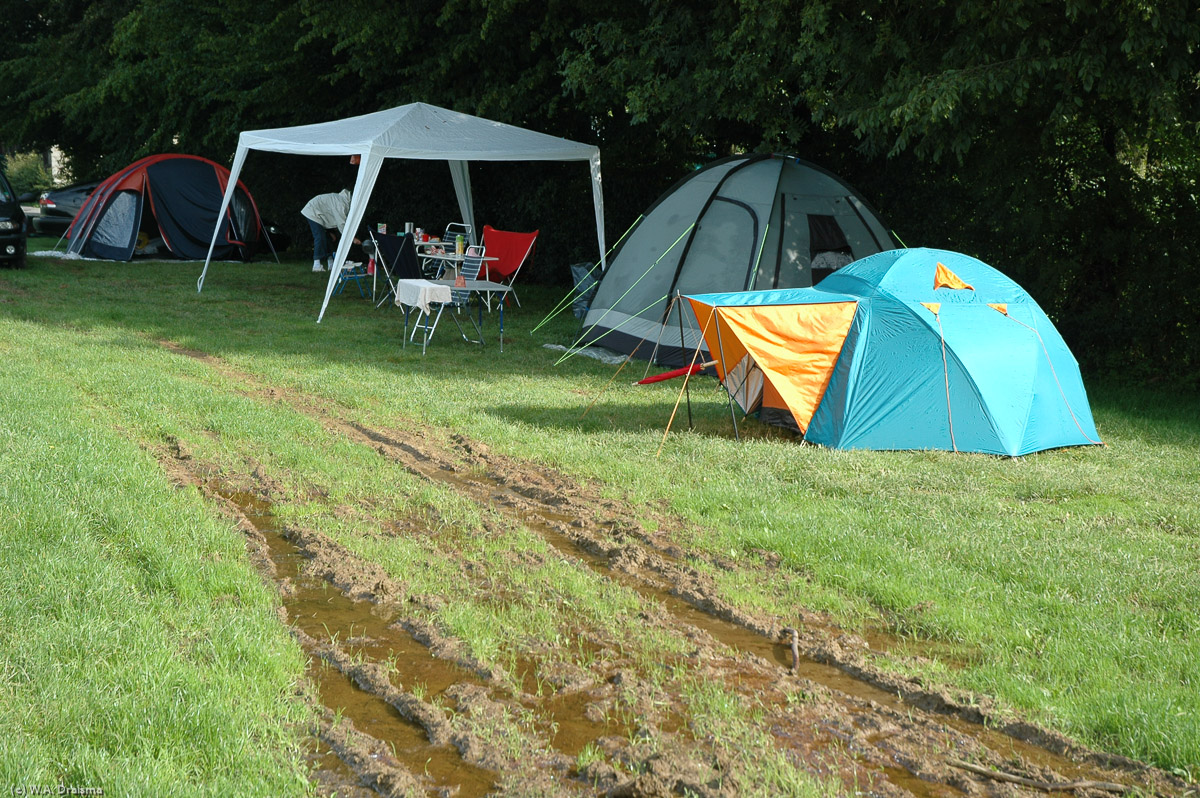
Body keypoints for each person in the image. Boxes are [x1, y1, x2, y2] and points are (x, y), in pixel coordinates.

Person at [301, 188, 355, 272]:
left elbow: (330, 216)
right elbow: (341, 224)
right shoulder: (341, 204)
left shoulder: (340, 200)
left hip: (319, 213)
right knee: (320, 237)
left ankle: (331, 264)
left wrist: (330, 232)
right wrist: (352, 238)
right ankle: (316, 265)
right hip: (312, 211)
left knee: (330, 239)